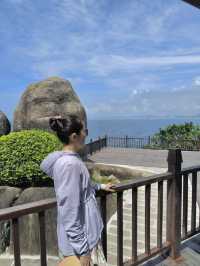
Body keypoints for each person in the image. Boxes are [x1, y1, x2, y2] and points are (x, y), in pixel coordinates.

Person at [40, 114, 116, 266]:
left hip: (82, 238)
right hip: (80, 243)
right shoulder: (70, 165)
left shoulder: (70, 160)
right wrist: (83, 250)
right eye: (85, 131)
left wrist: (100, 186)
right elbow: (69, 210)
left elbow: (81, 185)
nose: (86, 135)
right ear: (74, 136)